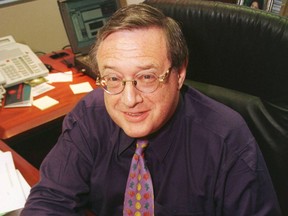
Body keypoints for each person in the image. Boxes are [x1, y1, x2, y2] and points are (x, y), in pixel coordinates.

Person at [21, 3, 281, 216]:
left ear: (179, 74)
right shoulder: (91, 114)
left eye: (146, 77)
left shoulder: (227, 140)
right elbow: (51, 198)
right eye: (113, 78)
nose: (129, 99)